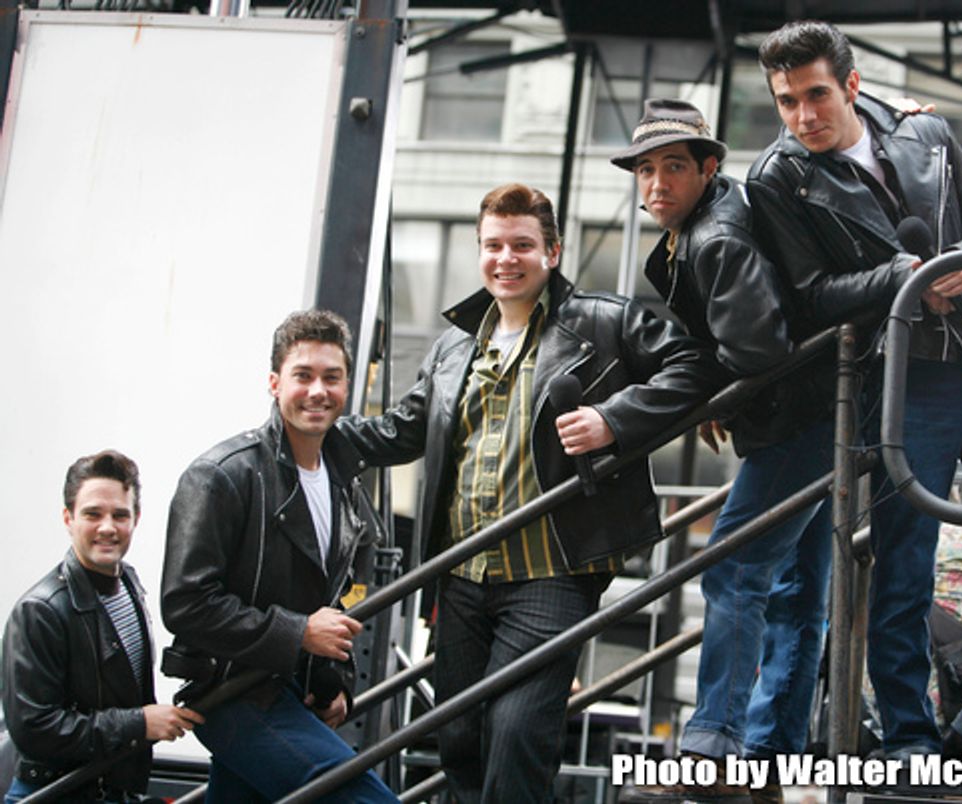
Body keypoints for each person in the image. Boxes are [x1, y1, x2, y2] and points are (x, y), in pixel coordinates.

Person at [745, 21, 962, 759]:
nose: (803, 116)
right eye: (786, 101)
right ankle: (907, 737)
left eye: (817, 95)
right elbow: (808, 295)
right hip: (897, 379)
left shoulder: (923, 134)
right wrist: (908, 277)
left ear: (852, 85)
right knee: (903, 566)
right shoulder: (778, 177)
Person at [338, 183, 718, 802]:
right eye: (493, 245)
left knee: (518, 733)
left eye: (522, 245)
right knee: (458, 737)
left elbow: (694, 366)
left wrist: (613, 420)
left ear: (554, 252)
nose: (505, 259)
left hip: (552, 573)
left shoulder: (602, 321)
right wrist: (317, 431)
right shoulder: (453, 346)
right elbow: (400, 431)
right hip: (460, 575)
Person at [610, 98, 832, 799]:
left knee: (734, 571)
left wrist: (720, 394)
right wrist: (723, 390)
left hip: (800, 420)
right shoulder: (696, 231)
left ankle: (714, 747)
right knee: (796, 591)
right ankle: (767, 755)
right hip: (812, 414)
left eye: (674, 166)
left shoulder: (716, 238)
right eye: (645, 169)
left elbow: (758, 346)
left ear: (709, 167)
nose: (656, 184)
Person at [160, 310, 395, 802]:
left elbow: (331, 602)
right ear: (274, 383)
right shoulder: (221, 475)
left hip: (292, 694)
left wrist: (337, 680)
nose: (317, 390)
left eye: (331, 377)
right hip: (233, 693)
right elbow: (185, 603)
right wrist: (298, 633)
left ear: (347, 386)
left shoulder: (343, 485)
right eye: (302, 375)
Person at [3, 450, 202, 802]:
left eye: (120, 515)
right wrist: (138, 724)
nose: (108, 527)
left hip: (109, 789)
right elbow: (34, 730)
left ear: (135, 520)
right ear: (68, 518)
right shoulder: (39, 611)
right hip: (52, 794)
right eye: (93, 514)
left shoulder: (129, 584)